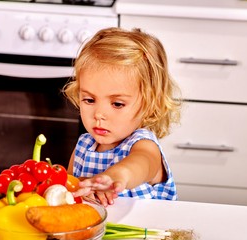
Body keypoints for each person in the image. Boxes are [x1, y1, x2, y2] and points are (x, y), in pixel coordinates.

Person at [62, 27, 181, 207]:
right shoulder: (83, 146)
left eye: (117, 104)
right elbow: (69, 192)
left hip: (141, 234)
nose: (99, 114)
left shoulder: (144, 146)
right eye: (89, 99)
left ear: (150, 103)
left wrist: (116, 177)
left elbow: (140, 165)